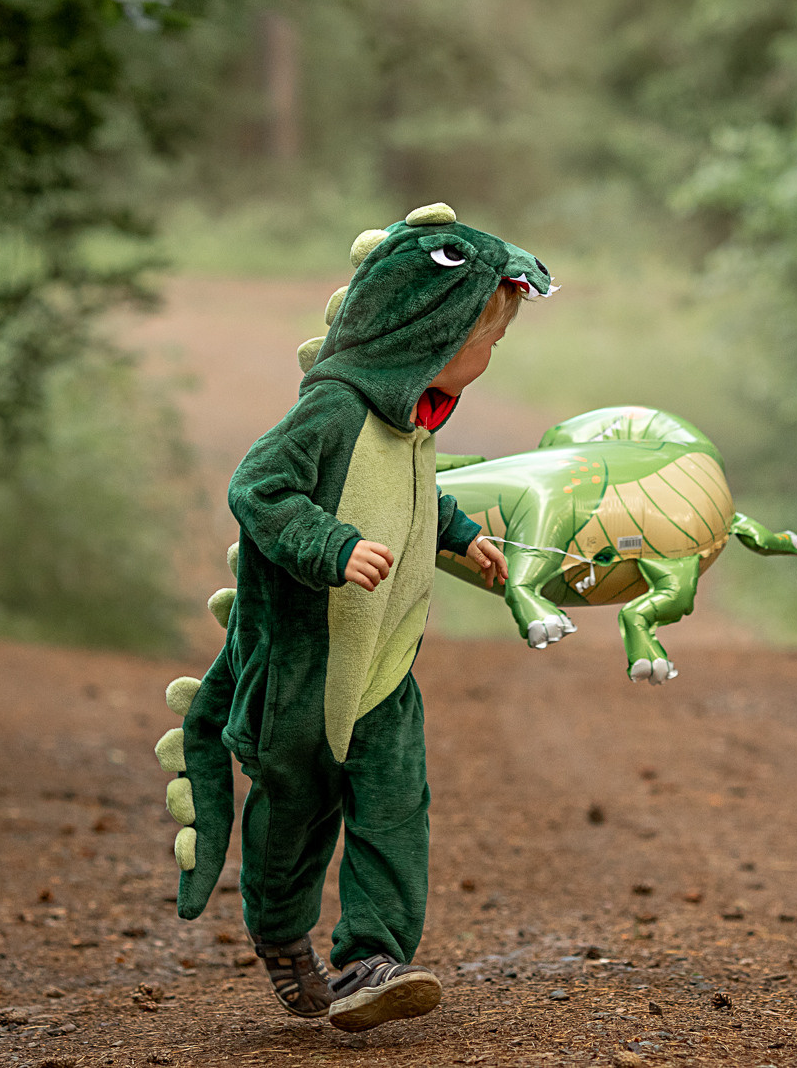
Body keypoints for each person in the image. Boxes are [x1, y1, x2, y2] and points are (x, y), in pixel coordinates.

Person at [165, 203, 552, 1032]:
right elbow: (259, 487)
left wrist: (456, 536)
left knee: (393, 806)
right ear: (429, 331)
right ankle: (279, 932)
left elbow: (410, 492)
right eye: (487, 340)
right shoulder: (336, 408)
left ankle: (371, 957)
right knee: (294, 817)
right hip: (308, 669)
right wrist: (329, 545)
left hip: (380, 665)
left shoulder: (412, 417)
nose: (490, 355)